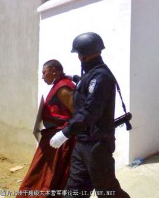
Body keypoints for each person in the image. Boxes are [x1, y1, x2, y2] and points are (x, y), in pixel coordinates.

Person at [49, 32, 130, 198]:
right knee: (74, 191)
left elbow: (90, 111)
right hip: (83, 143)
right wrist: (75, 77)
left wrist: (65, 133)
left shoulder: (101, 77)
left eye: (78, 54)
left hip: (97, 146)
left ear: (83, 55)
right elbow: (87, 87)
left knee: (108, 191)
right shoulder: (92, 74)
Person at [17, 60, 75, 198]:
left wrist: (63, 135)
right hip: (51, 137)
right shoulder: (58, 85)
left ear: (54, 70)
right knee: (41, 174)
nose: (42, 77)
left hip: (60, 140)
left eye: (44, 72)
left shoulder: (63, 88)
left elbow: (77, 114)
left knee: (51, 176)